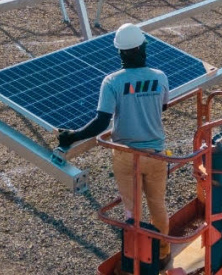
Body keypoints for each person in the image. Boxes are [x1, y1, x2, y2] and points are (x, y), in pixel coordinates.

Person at [58, 23, 171, 265]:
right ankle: (162, 253)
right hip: (157, 154)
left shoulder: (111, 82)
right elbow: (162, 107)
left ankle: (137, 260)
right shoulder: (160, 77)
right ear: (143, 48)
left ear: (120, 53)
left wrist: (72, 136)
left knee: (133, 210)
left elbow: (101, 122)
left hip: (126, 155)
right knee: (157, 205)